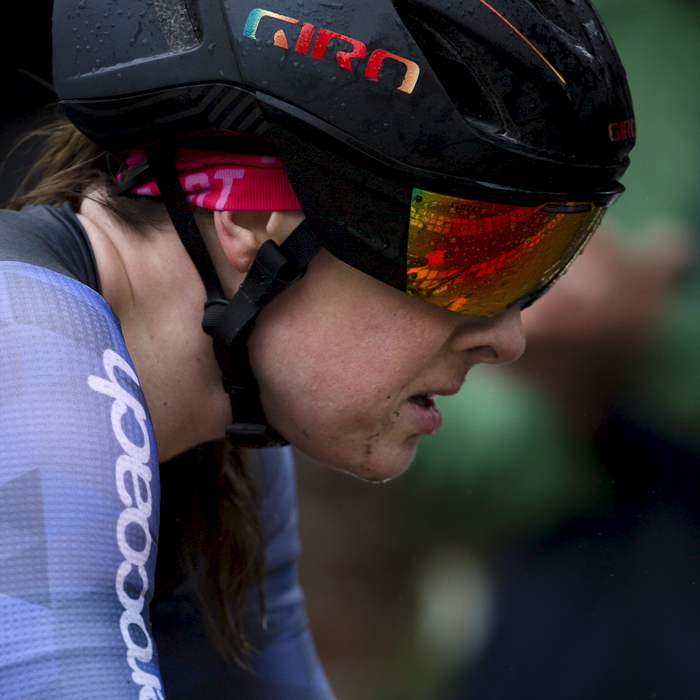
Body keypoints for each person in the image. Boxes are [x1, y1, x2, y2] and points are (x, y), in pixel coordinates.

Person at [0, 0, 634, 698]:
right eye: (467, 260)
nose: (507, 337)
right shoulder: (24, 354)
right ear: (249, 217)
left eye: (534, 268)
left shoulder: (221, 405)